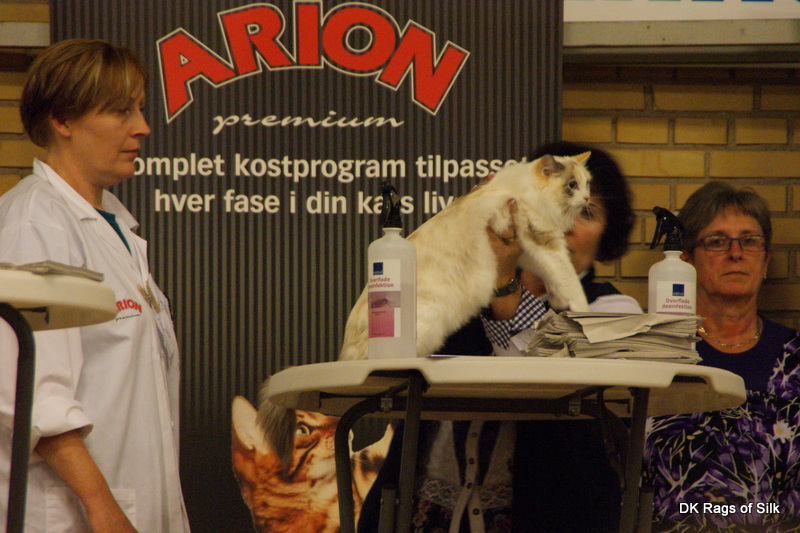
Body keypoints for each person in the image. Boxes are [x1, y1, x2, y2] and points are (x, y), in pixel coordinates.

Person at [358, 142, 641, 533]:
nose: (567, 220)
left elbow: (550, 373)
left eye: (587, 212)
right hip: (421, 509)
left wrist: (505, 284)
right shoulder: (457, 292)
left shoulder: (615, 310)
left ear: (607, 234)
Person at [0, 39, 190, 533]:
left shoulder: (115, 227)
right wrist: (103, 507)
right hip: (76, 515)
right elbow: (32, 394)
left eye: (140, 109)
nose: (142, 127)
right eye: (121, 111)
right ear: (62, 119)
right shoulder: (34, 223)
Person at [643, 181, 800, 531]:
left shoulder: (794, 358)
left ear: (766, 261)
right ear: (686, 260)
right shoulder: (654, 353)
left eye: (750, 241)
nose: (735, 253)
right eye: (716, 241)